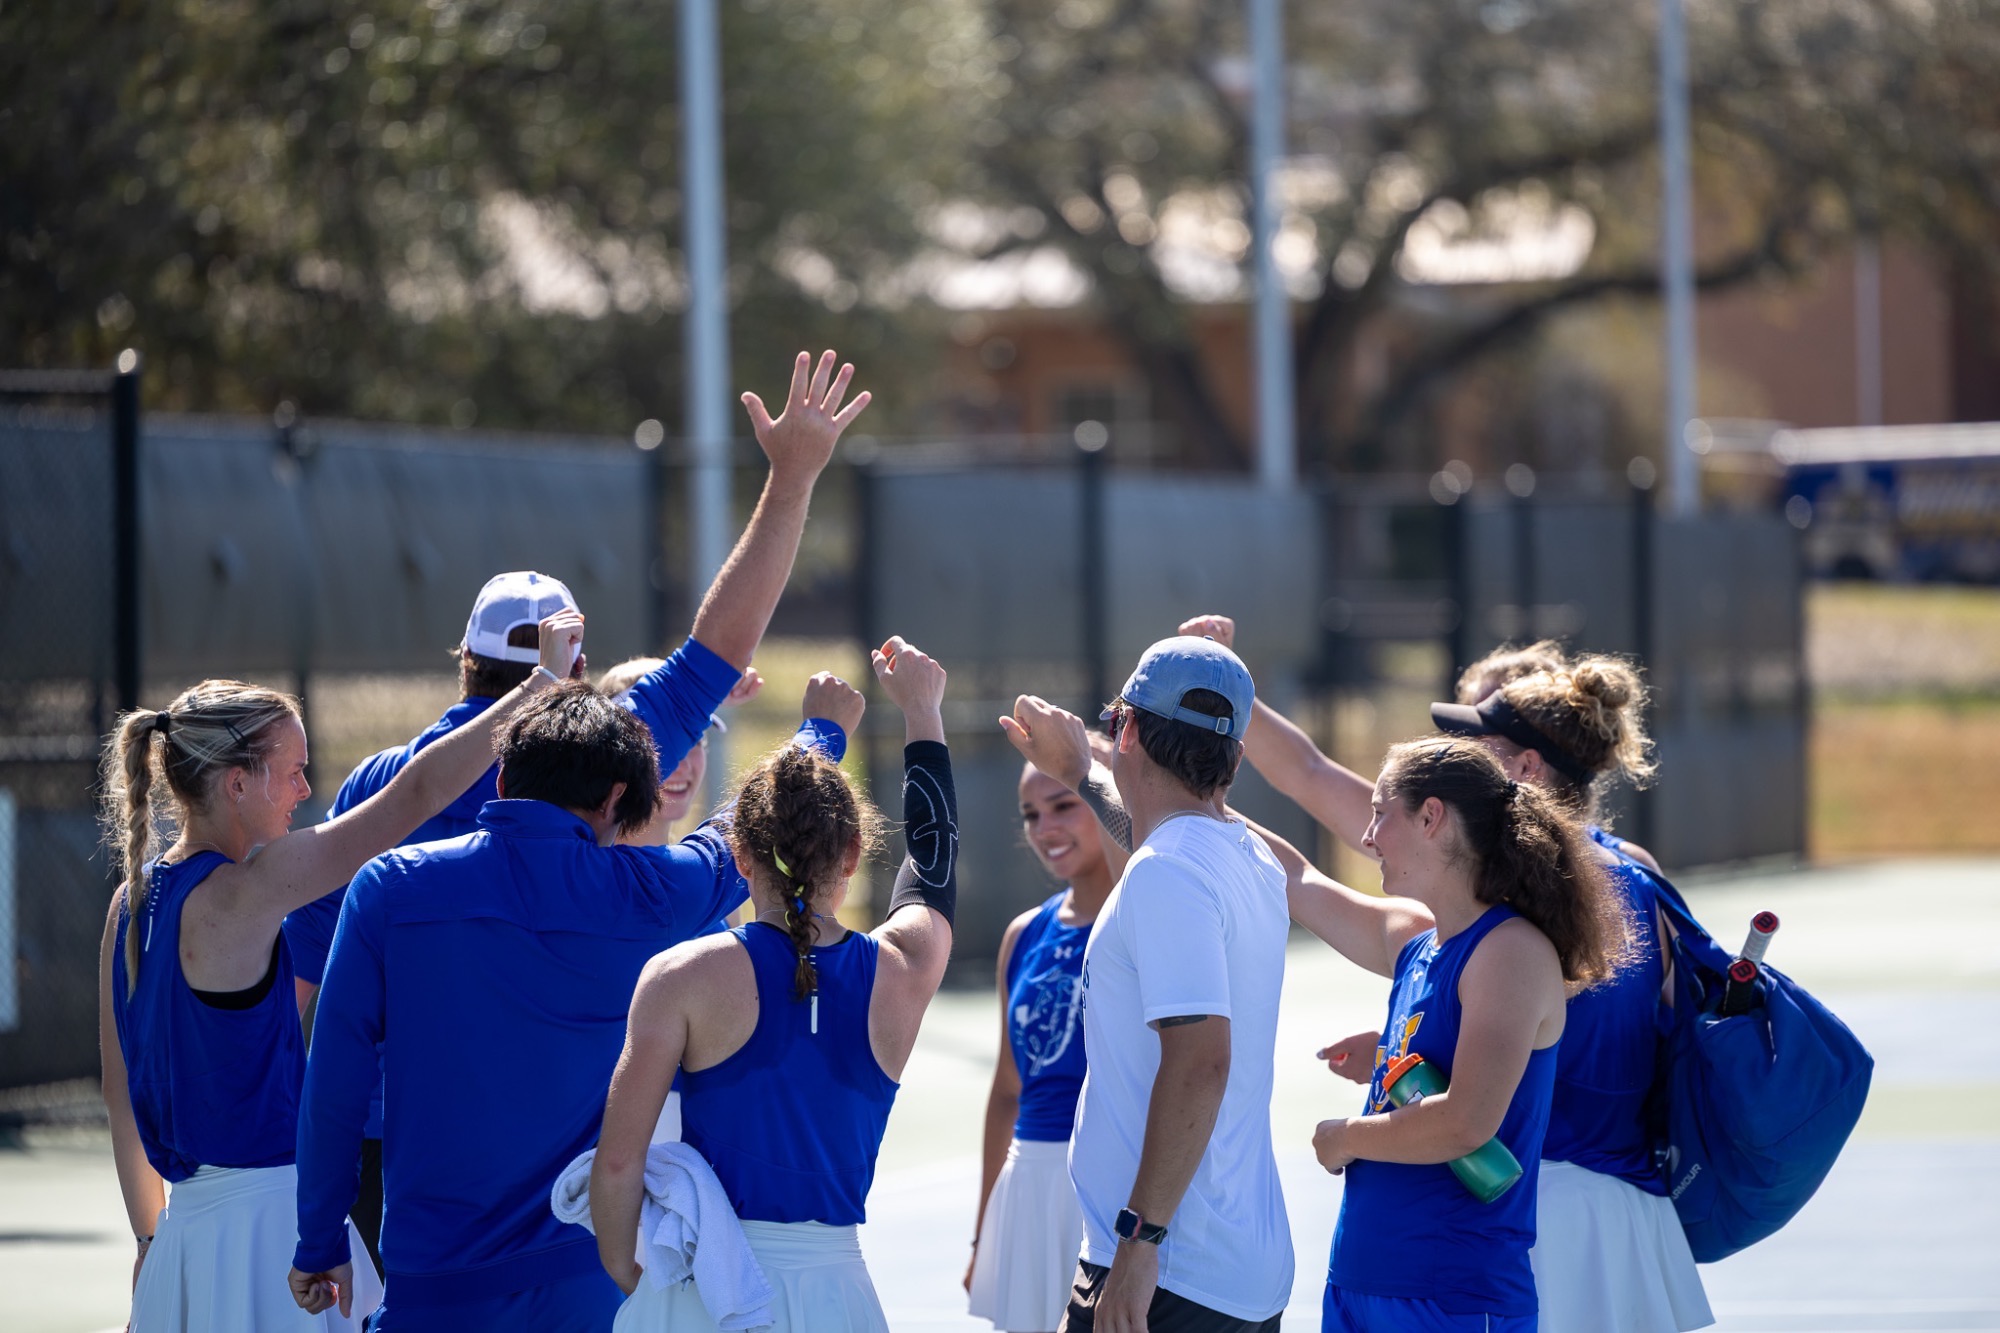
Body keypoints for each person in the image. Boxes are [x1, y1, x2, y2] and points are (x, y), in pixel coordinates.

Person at [287, 348, 872, 1331]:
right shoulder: (656, 887)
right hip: (587, 1289)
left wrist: (314, 1238)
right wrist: (794, 481)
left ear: (502, 757)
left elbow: (332, 1070)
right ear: (616, 795)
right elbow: (737, 740)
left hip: (426, 1274)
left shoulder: (388, 876)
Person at [97, 609, 583, 1332]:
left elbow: (118, 1097)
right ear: (235, 783)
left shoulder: (128, 902)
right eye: (292, 772)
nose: (303, 788)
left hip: (184, 1241)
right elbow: (414, 798)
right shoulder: (250, 887)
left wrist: (148, 1237)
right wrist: (542, 681)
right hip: (271, 1234)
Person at [590, 635, 958, 1332]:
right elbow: (935, 866)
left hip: (706, 1290)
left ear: (735, 850)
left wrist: (633, 1276)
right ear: (852, 852)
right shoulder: (904, 971)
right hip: (839, 1297)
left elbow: (616, 1166)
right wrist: (922, 713)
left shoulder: (678, 977)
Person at [283, 569, 592, 1270]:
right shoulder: (592, 794)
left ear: (466, 662)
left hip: (378, 1138)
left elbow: (303, 981)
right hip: (539, 1135)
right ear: (569, 669)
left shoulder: (375, 782)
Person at [1000, 634, 1292, 1333]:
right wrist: (1079, 771)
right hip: (1225, 1271)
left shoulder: (1167, 873)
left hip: (1166, 1273)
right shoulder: (1250, 858)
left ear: (1126, 728)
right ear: (1237, 756)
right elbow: (1160, 836)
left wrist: (1139, 1242)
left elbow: (1200, 1063)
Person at [1428, 664, 1712, 1333]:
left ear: (1526, 767)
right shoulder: (1641, 881)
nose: (1464, 763)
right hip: (1629, 1212)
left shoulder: (1507, 898)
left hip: (1537, 1210)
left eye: (1482, 749)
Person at [1311, 737, 1630, 1333]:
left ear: (1431, 817)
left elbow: (1465, 1123)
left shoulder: (1509, 952)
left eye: (1381, 812)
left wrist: (1343, 1138)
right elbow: (1297, 880)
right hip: (1362, 1282)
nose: (1368, 836)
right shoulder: (1423, 943)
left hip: (1449, 1298)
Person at [967, 742, 1129, 1333]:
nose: (1045, 828)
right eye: (1031, 814)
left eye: (1064, 805)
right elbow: (1009, 1089)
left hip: (1110, 1188)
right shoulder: (1022, 934)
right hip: (1029, 1186)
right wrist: (985, 1229)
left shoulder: (1139, 919)